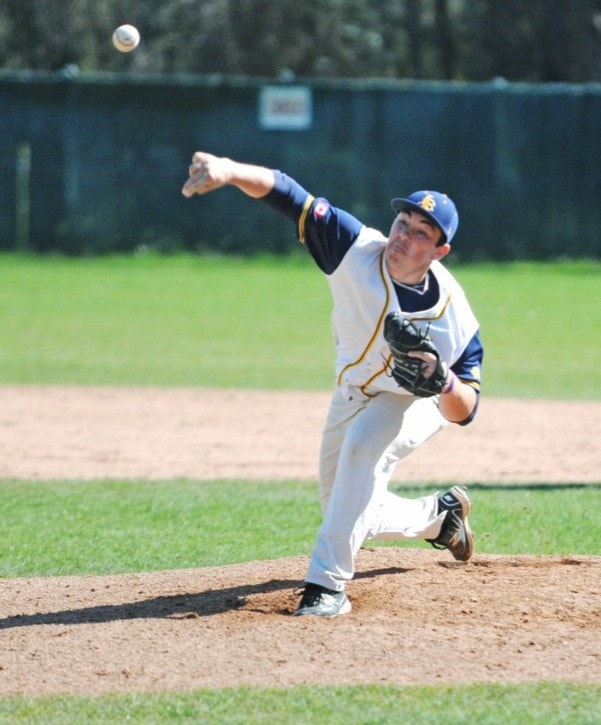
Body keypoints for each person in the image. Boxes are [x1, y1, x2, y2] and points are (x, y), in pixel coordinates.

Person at [182, 152, 483, 618]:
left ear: (440, 251)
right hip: (350, 394)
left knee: (363, 448)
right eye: (402, 221)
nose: (403, 234)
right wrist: (227, 170)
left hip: (411, 401)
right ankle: (439, 519)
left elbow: (465, 410)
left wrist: (442, 381)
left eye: (421, 231)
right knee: (343, 505)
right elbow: (288, 193)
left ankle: (327, 587)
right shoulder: (354, 248)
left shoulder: (453, 318)